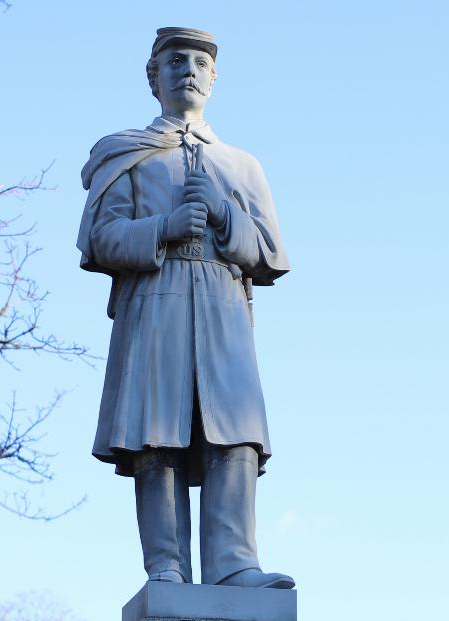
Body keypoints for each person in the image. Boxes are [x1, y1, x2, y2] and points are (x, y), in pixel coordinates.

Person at [77, 27, 294, 589]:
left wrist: (226, 215)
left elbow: (271, 253)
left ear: (214, 79)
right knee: (158, 431)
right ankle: (166, 566)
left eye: (200, 62)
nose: (189, 70)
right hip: (156, 297)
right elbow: (100, 240)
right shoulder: (126, 153)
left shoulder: (242, 166)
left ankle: (235, 564)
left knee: (235, 430)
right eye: (176, 61)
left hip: (223, 301)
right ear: (155, 77)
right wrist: (163, 228)